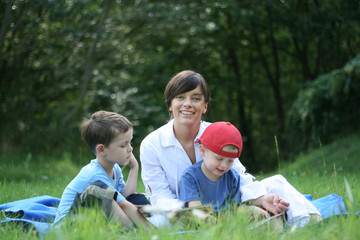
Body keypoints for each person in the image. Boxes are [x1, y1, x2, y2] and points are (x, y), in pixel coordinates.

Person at [140, 70, 322, 227]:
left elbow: (238, 176)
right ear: (170, 104)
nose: (188, 103)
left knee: (276, 183)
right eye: (180, 97)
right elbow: (159, 196)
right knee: (160, 221)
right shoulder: (151, 144)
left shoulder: (216, 132)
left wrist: (259, 198)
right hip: (183, 210)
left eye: (195, 98)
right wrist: (196, 213)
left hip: (226, 205)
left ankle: (309, 222)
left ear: (205, 107)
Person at [53, 110, 150, 229]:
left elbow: (126, 197)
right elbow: (124, 206)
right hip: (68, 226)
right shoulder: (93, 174)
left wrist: (134, 168)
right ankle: (137, 231)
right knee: (98, 189)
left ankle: (142, 226)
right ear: (102, 149)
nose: (130, 149)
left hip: (91, 220)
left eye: (130, 142)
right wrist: (150, 230)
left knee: (137, 199)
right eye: (123, 145)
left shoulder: (115, 168)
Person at [180, 121, 282, 227]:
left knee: (262, 215)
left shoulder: (232, 176)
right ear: (202, 151)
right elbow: (195, 209)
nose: (224, 165)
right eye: (219, 158)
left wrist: (252, 210)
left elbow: (235, 207)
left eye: (230, 161)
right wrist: (207, 218)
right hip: (202, 221)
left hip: (227, 217)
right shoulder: (190, 177)